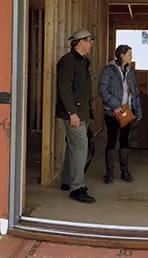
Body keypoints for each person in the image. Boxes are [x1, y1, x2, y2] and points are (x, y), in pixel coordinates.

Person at [57, 29, 96, 204]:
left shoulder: (83, 61)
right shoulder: (67, 61)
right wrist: (72, 113)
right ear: (81, 42)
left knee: (73, 148)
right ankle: (77, 188)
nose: (92, 44)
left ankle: (67, 181)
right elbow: (64, 88)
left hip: (82, 113)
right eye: (90, 41)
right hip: (74, 114)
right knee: (81, 149)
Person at [98, 44, 143, 184]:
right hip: (112, 113)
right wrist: (115, 105)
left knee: (125, 141)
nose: (131, 56)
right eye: (129, 54)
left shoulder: (130, 71)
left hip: (127, 113)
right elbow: (102, 90)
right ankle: (109, 174)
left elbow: (134, 92)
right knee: (112, 141)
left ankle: (125, 172)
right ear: (121, 55)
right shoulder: (108, 70)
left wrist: (137, 111)